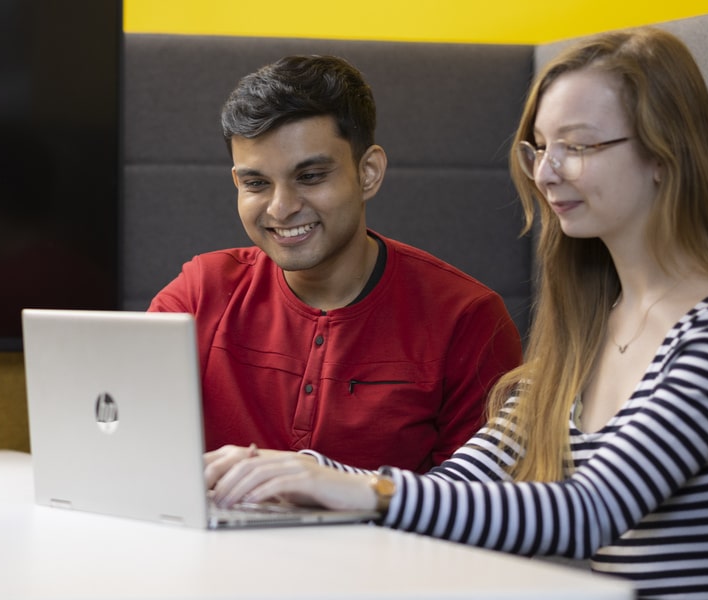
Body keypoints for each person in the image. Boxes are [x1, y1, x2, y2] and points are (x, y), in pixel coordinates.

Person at [206, 28, 708, 599]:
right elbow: (466, 483)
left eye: (579, 146)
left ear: (665, 157)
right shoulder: (590, 333)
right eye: (539, 149)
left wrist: (358, 490)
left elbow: (590, 511)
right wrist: (296, 472)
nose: (547, 173)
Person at [149, 55, 523, 473]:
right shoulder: (199, 292)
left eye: (310, 177)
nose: (281, 207)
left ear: (368, 173)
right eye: (257, 183)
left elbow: (481, 503)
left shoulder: (467, 318)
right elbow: (123, 438)